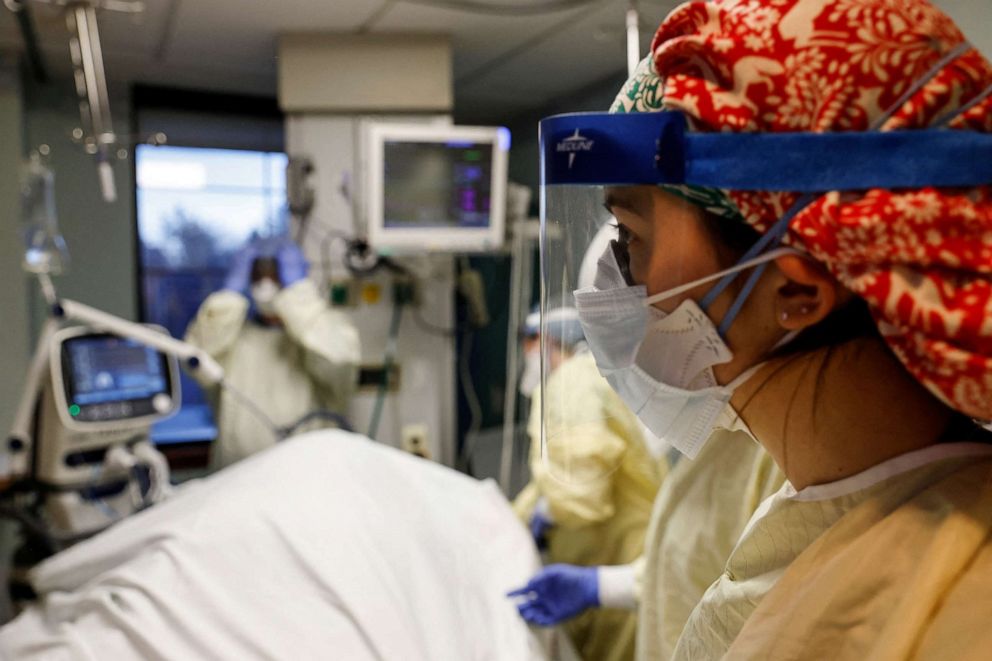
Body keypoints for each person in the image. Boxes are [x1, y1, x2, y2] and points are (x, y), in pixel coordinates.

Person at [532, 0, 992, 658]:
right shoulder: (830, 509)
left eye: (632, 238)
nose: (614, 282)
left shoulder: (956, 598)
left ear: (797, 291)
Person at [512, 306, 668, 661]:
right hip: (615, 560)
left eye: (531, 343)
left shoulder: (574, 382)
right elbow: (562, 475)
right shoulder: (592, 378)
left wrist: (546, 512)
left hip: (618, 567)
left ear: (547, 341)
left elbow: (581, 491)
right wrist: (522, 512)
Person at [185, 238, 361, 470]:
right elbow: (196, 359)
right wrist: (229, 295)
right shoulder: (231, 338)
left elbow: (338, 359)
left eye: (276, 272)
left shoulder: (326, 331)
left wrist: (298, 296)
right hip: (238, 479)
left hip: (308, 478)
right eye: (258, 273)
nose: (266, 281)